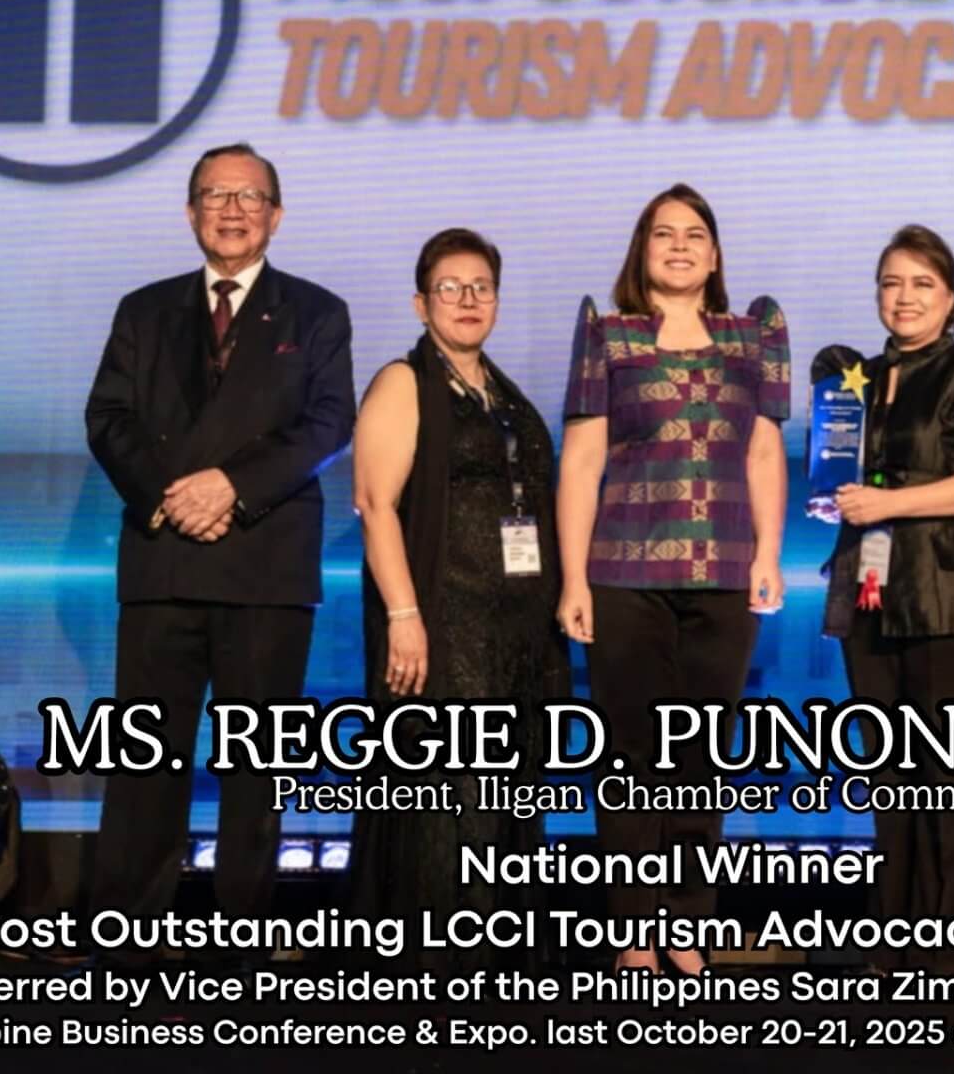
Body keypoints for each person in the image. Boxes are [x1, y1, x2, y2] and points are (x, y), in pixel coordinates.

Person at [83, 143, 354, 952]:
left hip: (264, 565)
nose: (232, 210)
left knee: (256, 767)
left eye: (249, 196)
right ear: (191, 210)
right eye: (215, 195)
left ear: (275, 213)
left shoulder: (316, 312)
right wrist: (178, 496)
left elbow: (327, 423)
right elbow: (109, 420)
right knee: (145, 762)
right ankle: (124, 934)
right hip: (164, 558)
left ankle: (244, 934)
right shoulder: (144, 309)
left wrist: (228, 488)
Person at [555, 183, 788, 974]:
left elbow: (761, 454)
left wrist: (766, 555)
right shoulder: (609, 335)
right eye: (664, 235)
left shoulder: (752, 335)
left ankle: (686, 922)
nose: (680, 246)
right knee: (630, 756)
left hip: (722, 574)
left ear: (715, 254)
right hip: (622, 574)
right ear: (642, 250)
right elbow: (582, 460)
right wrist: (574, 580)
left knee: (698, 758)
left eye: (695, 235)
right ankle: (631, 929)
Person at [343, 228, 568, 972]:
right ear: (421, 302)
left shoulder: (506, 397)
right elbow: (376, 506)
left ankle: (499, 964)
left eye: (482, 287)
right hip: (441, 628)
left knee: (509, 795)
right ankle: (433, 971)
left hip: (517, 637)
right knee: (447, 803)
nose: (468, 301)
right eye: (451, 287)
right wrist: (405, 618)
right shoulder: (402, 384)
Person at [822, 225, 954, 973]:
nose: (904, 297)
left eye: (922, 283)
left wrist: (887, 504)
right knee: (891, 779)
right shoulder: (853, 378)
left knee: (953, 782)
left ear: (951, 298)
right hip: (873, 599)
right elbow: (843, 482)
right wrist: (841, 504)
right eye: (891, 282)